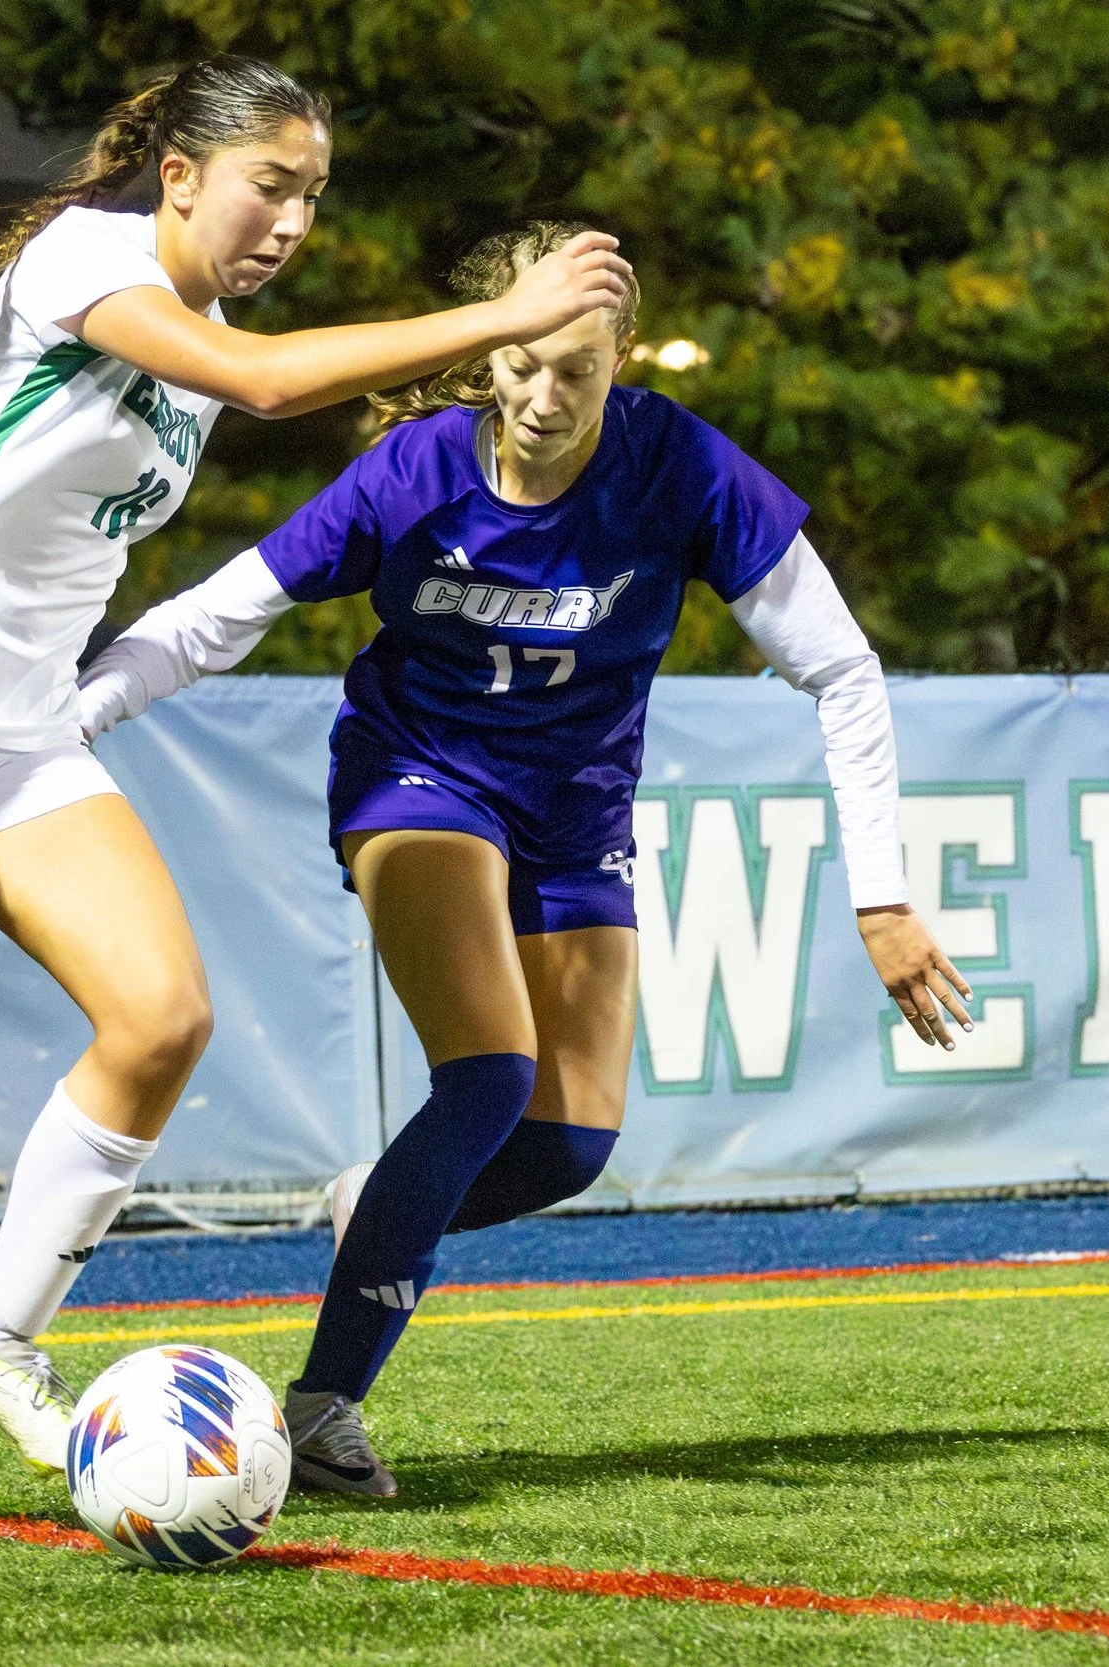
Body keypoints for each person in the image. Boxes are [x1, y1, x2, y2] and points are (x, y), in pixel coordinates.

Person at [0, 70, 636, 1545]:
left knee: (160, 1016)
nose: (292, 220)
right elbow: (284, 385)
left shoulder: (206, 332)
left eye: (313, 197)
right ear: (177, 175)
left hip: (13, 726)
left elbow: (248, 382)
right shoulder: (88, 262)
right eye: (269, 186)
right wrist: (511, 311)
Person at [76, 221, 971, 1498]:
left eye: (581, 372)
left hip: (574, 807)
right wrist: (56, 727)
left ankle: (377, 1198)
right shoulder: (414, 473)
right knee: (490, 1070)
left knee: (564, 1147)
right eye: (522, 364)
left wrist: (880, 898)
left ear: (623, 363)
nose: (547, 398)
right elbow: (214, 620)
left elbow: (842, 668)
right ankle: (325, 1412)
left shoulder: (678, 467)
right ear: (485, 353)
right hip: (414, 777)